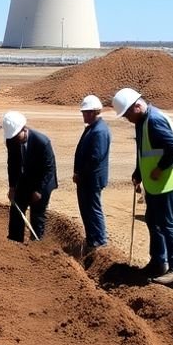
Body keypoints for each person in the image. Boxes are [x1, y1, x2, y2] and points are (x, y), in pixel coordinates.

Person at [110, 87, 173, 284]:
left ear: (137, 106)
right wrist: (138, 172)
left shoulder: (153, 121)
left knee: (167, 222)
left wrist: (160, 168)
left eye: (127, 114)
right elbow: (144, 150)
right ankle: (158, 262)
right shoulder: (141, 121)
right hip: (156, 182)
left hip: (169, 179)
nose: (127, 119)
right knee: (153, 219)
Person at [2, 111, 58, 242]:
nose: (15, 139)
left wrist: (39, 190)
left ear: (24, 129)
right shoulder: (12, 141)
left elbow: (49, 169)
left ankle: (36, 243)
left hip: (43, 181)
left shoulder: (42, 142)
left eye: (17, 136)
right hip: (25, 178)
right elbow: (12, 165)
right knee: (16, 209)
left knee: (37, 213)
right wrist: (12, 187)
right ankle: (14, 241)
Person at [73, 94, 111, 251]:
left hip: (91, 179)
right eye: (83, 112)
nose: (83, 115)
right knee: (87, 210)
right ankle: (91, 239)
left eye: (85, 112)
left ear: (93, 112)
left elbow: (95, 158)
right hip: (87, 178)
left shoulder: (99, 131)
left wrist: (80, 174)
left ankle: (99, 241)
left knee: (93, 210)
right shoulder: (93, 128)